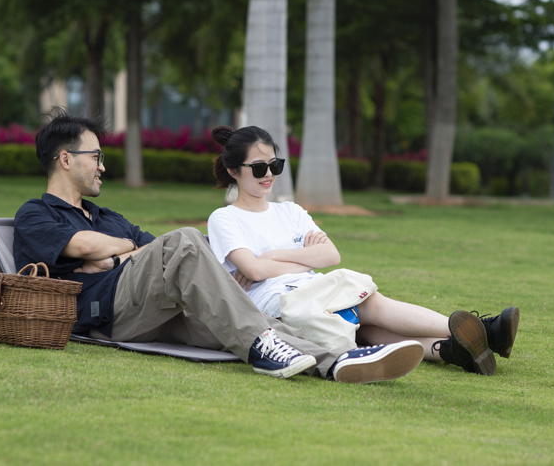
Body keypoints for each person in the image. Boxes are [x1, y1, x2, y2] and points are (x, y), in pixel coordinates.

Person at [12, 108, 425, 384]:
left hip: (151, 309)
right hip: (103, 313)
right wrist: (119, 254)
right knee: (189, 239)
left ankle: (334, 360)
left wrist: (117, 255)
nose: (102, 165)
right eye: (95, 156)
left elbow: (154, 254)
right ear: (65, 159)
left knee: (230, 317)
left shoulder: (109, 218)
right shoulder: (36, 214)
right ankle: (265, 349)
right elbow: (83, 246)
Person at [206, 125, 520, 376]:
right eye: (259, 168)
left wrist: (272, 256)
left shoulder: (290, 211)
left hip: (315, 291)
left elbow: (330, 256)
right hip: (280, 307)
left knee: (369, 329)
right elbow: (255, 272)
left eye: (276, 164)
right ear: (234, 170)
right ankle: (486, 331)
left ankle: (452, 350)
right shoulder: (225, 218)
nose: (270, 175)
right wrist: (297, 260)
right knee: (369, 306)